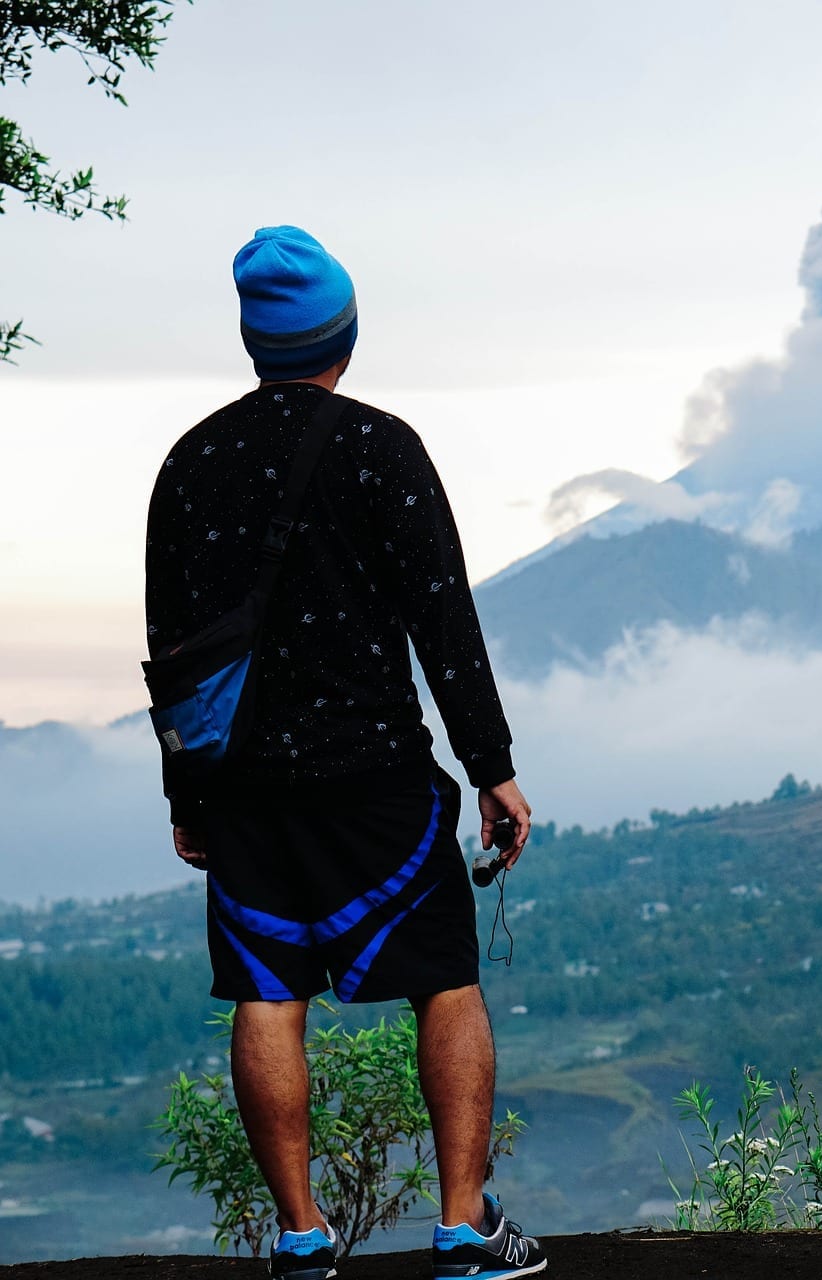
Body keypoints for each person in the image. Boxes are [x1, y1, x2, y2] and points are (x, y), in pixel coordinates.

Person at [144, 226, 546, 1280]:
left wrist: (188, 794)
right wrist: (491, 764)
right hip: (375, 781)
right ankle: (464, 1226)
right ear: (345, 336)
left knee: (267, 992)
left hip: (241, 791)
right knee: (446, 981)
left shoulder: (189, 463)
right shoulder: (382, 447)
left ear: (255, 342)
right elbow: (442, 623)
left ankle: (302, 1234)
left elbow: (173, 657)